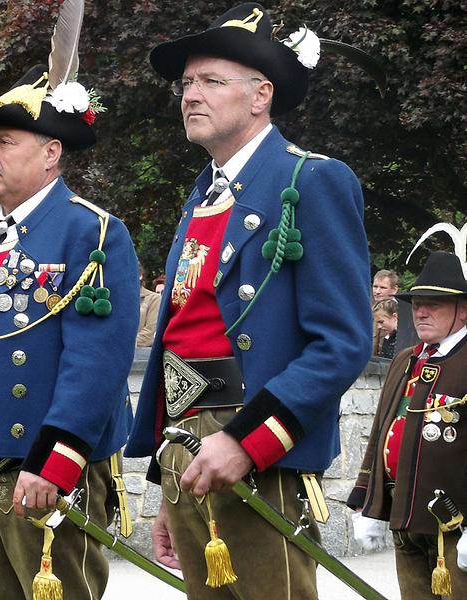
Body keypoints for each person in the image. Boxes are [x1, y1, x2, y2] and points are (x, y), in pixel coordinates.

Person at [124, 4, 373, 598]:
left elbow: (342, 342)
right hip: (187, 447)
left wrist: (248, 439)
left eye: (210, 81)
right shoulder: (203, 194)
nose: (190, 94)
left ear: (261, 94)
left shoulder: (310, 181)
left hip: (258, 443)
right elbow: (184, 334)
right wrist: (170, 489)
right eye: (186, 83)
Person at [0, 11, 139, 596]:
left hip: (40, 462)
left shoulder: (91, 232)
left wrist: (60, 456)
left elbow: (97, 359)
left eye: (4, 141)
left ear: (50, 153)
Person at [348, 251, 467, 599]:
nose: (421, 311)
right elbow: (380, 431)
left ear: (463, 308)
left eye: (434, 304)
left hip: (456, 524)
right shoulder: (407, 359)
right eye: (416, 303)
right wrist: (366, 502)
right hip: (406, 519)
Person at [138, 262, 160, 347]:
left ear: (140, 275)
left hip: (141, 356)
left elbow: (149, 335)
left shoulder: (153, 299)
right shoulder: (117, 299)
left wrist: (120, 344)